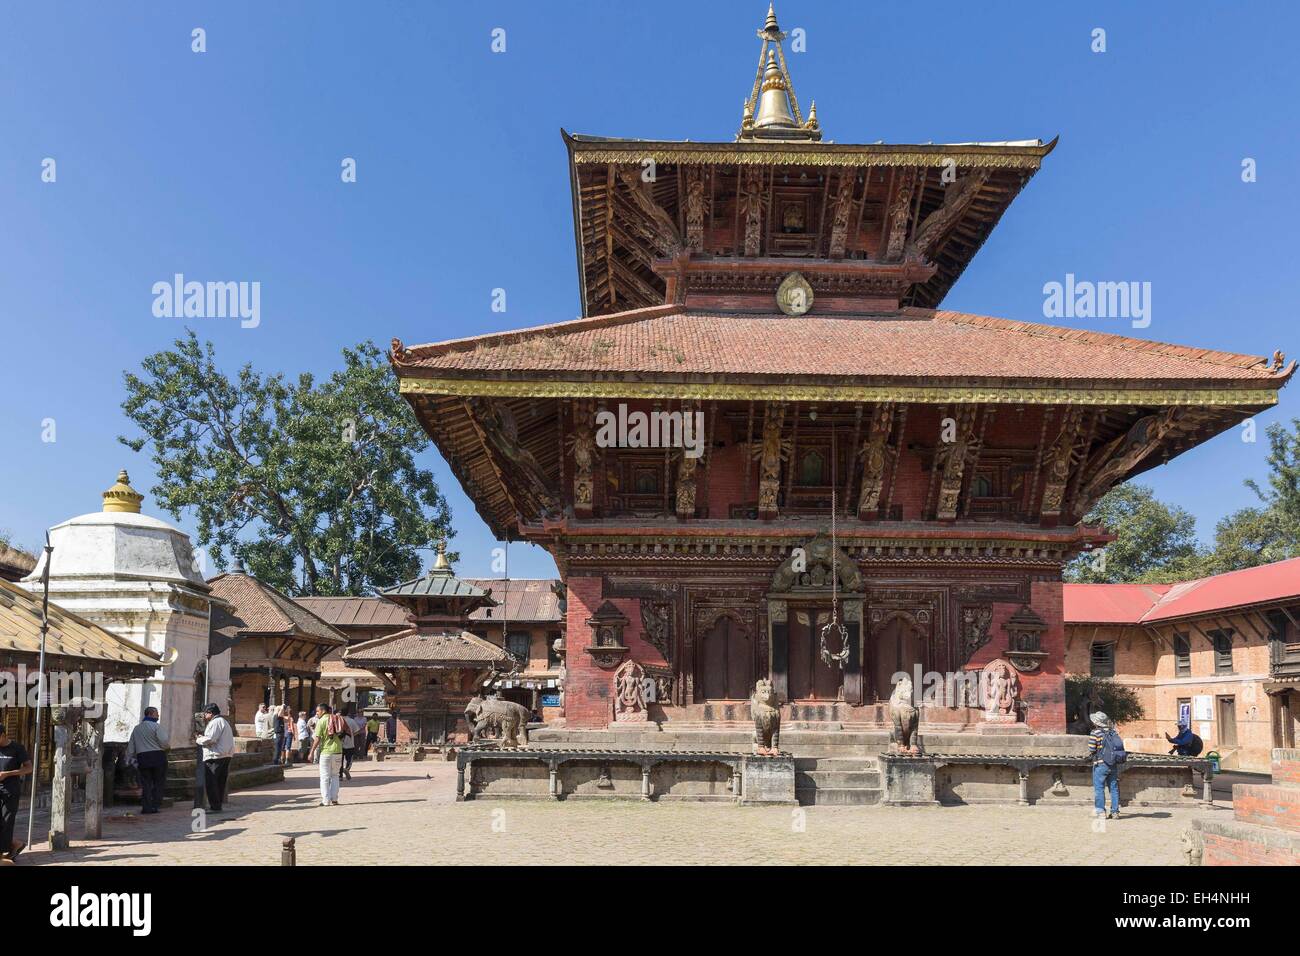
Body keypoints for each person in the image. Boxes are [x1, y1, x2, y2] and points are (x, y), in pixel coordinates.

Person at [125, 706, 170, 814]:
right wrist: (166, 748)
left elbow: (131, 746)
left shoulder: (137, 728)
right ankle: (155, 805)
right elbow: (164, 741)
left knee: (146, 783)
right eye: (156, 713)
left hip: (143, 758)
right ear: (150, 714)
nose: (158, 715)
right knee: (158, 782)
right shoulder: (156, 727)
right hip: (157, 756)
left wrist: (130, 757)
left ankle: (146, 807)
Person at [0, 726, 33, 862]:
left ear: (3, 735)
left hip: (10, 791)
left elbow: (29, 768)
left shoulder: (17, 748)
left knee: (6, 822)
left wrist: (8, 774)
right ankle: (16, 844)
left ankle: (5, 851)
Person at [196, 703, 235, 813]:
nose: (204, 715)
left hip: (216, 756)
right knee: (219, 782)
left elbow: (211, 739)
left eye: (205, 713)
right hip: (225, 754)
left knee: (212, 782)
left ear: (210, 713)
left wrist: (199, 739)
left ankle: (215, 806)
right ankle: (217, 804)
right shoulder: (224, 722)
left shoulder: (216, 722)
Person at [1087, 711, 1126, 820]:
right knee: (1113, 788)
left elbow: (1091, 748)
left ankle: (1101, 812)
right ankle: (1115, 812)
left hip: (1100, 764)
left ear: (1096, 722)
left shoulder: (1095, 733)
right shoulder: (1113, 732)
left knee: (1099, 788)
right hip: (1112, 764)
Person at [309, 704, 344, 806]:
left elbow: (317, 738)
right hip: (338, 750)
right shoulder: (336, 718)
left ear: (323, 711)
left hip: (326, 752)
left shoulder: (321, 721)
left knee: (324, 777)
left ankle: (325, 800)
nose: (317, 713)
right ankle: (334, 799)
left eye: (318, 711)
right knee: (335, 776)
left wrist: (311, 752)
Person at [340, 706, 357, 780]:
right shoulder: (352, 721)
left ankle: (340, 776)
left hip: (339, 744)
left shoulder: (338, 720)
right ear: (348, 713)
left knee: (339, 760)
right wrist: (352, 735)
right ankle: (346, 769)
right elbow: (356, 731)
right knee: (349, 759)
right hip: (350, 744)